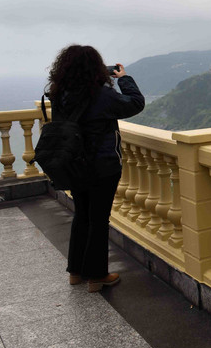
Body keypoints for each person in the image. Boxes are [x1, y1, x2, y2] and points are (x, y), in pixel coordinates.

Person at [46, 44, 145, 292]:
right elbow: (135, 103)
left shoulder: (61, 95)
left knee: (82, 215)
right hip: (102, 166)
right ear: (96, 69)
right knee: (98, 220)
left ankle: (76, 272)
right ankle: (97, 276)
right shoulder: (101, 95)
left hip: (72, 164)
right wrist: (124, 79)